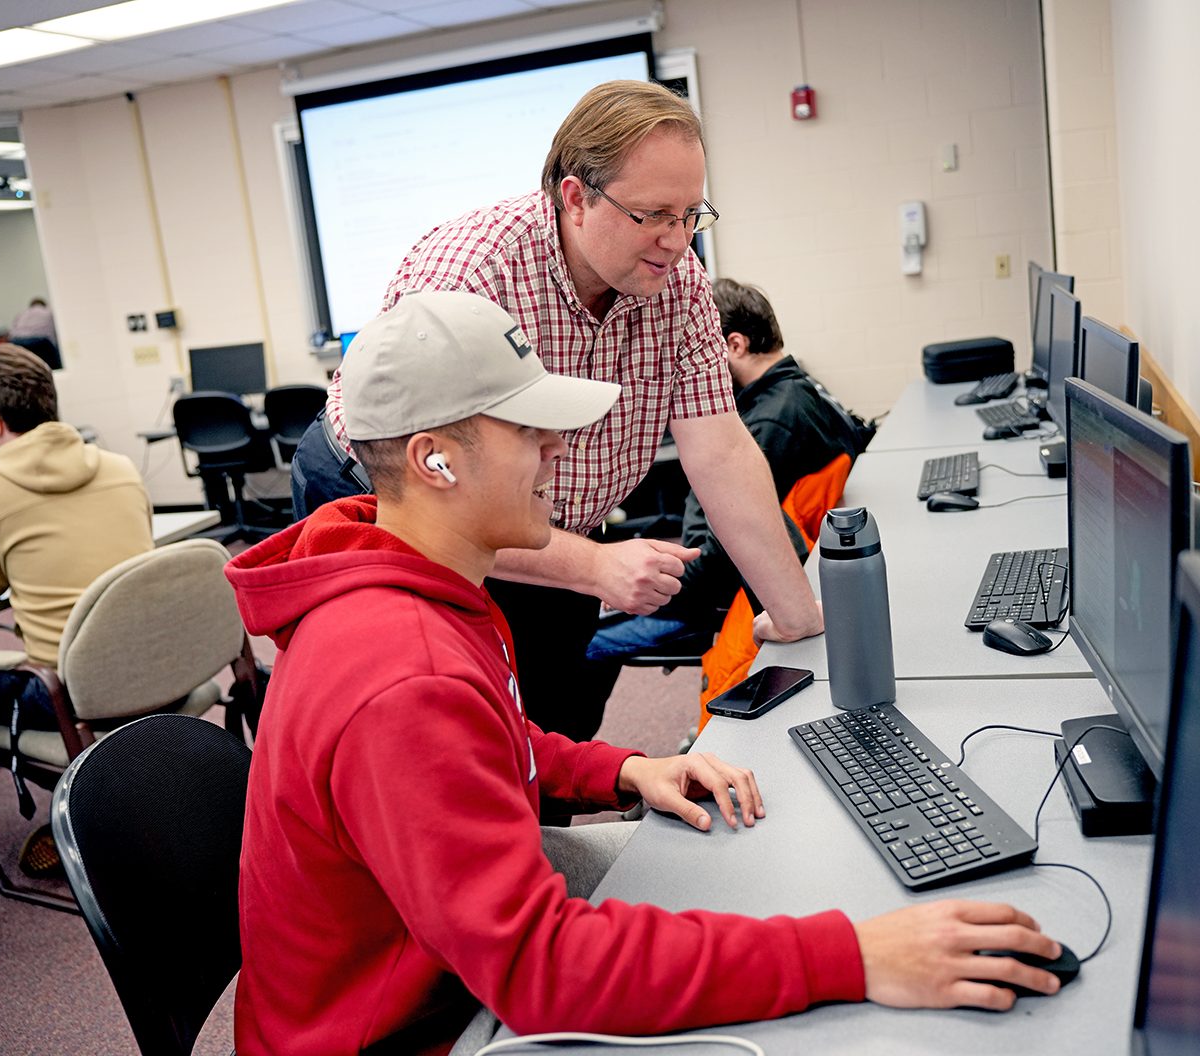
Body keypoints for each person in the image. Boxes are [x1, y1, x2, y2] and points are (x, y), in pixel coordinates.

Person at [227, 291, 1066, 1056]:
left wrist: (620, 767)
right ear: (434, 459)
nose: (561, 446)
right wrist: (852, 956)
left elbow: (486, 741)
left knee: (737, 883)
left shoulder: (409, 580)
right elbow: (543, 971)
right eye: (528, 430)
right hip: (412, 1031)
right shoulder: (401, 671)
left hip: (443, 968)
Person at [290, 79, 823, 743]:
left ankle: (538, 829)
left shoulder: (675, 280)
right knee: (435, 721)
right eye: (654, 214)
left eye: (692, 214)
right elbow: (441, 498)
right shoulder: (475, 275)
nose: (677, 239)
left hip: (540, 514)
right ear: (576, 197)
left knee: (553, 717)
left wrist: (798, 614)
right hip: (390, 495)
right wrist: (592, 566)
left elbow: (720, 448)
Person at [587, 278, 874, 664]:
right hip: (726, 576)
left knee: (582, 643)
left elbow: (724, 555)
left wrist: (641, 589)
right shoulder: (800, 391)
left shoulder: (770, 424)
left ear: (735, 345)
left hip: (711, 598)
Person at [0, 344, 152, 821]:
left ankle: (82, 804)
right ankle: (112, 790)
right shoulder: (120, 467)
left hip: (68, 691)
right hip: (157, 667)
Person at [8, 297, 61, 369]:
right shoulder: (48, 312)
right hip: (40, 343)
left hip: (18, 343)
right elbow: (57, 332)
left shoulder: (21, 314)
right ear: (44, 305)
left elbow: (12, 333)